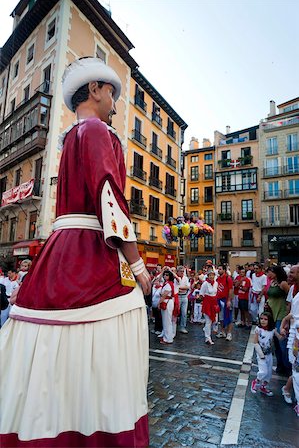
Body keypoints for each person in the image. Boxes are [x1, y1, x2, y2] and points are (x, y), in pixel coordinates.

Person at [0, 58, 151, 447]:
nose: (116, 105)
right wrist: (137, 263)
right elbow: (109, 197)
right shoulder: (98, 130)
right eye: (112, 95)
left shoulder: (70, 137)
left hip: (60, 247)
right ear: (96, 89)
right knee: (115, 330)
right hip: (92, 245)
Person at [281, 264, 299, 417]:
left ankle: (287, 389)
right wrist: (284, 324)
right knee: (296, 367)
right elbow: (291, 311)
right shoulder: (293, 289)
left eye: (292, 273)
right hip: (295, 334)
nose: (289, 275)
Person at [251, 311, 283, 396]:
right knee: (263, 371)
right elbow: (255, 342)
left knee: (268, 373)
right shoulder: (258, 330)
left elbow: (279, 337)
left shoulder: (272, 330)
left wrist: (284, 334)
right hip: (261, 354)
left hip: (269, 354)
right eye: (261, 319)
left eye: (265, 319)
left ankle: (263, 387)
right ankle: (256, 381)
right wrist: (260, 354)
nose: (263, 321)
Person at [266, 265, 291, 376]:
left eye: (270, 272)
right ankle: (280, 365)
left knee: (282, 342)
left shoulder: (283, 284)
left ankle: (287, 366)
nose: (268, 274)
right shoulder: (272, 283)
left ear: (276, 272)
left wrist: (287, 315)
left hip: (281, 314)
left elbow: (290, 298)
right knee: (275, 342)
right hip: (272, 313)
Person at [200, 271, 218, 345]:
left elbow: (216, 293)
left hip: (214, 303)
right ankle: (207, 338)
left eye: (212, 275)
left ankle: (211, 330)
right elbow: (201, 294)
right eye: (210, 275)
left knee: (215, 320)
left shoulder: (216, 283)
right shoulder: (205, 284)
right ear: (208, 276)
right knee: (208, 321)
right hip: (207, 303)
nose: (211, 277)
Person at [216, 265, 234, 341]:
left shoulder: (228, 278)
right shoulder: (217, 279)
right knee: (221, 317)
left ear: (224, 270)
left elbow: (231, 290)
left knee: (229, 317)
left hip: (226, 300)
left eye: (220, 269)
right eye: (218, 269)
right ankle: (222, 332)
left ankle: (229, 333)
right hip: (219, 300)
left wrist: (229, 300)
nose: (218, 270)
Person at [158, 270, 175, 344]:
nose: (165, 276)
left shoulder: (168, 284)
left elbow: (164, 295)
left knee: (167, 321)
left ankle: (168, 338)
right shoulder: (167, 283)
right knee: (166, 320)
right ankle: (167, 337)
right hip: (167, 301)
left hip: (167, 302)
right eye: (164, 275)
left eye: (167, 275)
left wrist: (159, 303)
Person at [176, 265, 190, 334]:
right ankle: (174, 326)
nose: (182, 272)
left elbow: (188, 287)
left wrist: (180, 288)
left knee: (184, 313)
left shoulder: (186, 278)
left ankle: (182, 327)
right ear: (177, 272)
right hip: (178, 297)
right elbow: (176, 288)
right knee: (176, 312)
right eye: (180, 271)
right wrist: (182, 288)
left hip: (184, 296)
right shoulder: (175, 278)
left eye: (183, 271)